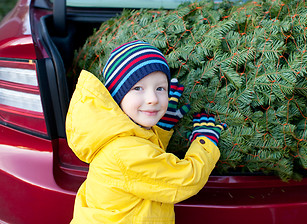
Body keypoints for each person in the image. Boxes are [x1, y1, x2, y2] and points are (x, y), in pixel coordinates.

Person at [65, 40, 226, 223]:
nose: (152, 99)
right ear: (117, 97)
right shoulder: (124, 153)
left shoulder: (120, 137)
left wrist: (161, 128)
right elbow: (185, 179)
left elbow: (147, 159)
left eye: (160, 89)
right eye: (137, 88)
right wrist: (205, 142)